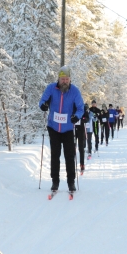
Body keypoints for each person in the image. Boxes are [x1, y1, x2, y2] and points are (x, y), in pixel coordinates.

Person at [38, 65, 84, 193]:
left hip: (68, 128)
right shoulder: (51, 88)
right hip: (53, 127)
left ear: (70, 79)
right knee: (55, 155)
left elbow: (81, 108)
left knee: (69, 156)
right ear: (58, 78)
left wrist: (77, 116)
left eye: (67, 79)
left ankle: (71, 182)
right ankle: (55, 181)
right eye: (62, 78)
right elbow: (42, 101)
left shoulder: (74, 91)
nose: (64, 81)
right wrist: (43, 105)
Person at [74, 103, 90, 172]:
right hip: (73, 130)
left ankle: (82, 164)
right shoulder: (71, 106)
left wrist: (82, 119)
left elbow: (87, 118)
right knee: (72, 148)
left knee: (81, 148)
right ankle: (72, 164)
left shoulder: (83, 108)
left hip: (81, 130)